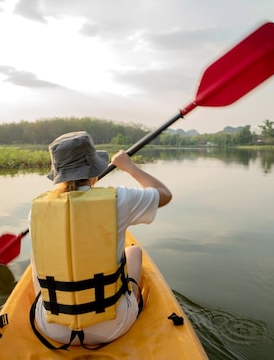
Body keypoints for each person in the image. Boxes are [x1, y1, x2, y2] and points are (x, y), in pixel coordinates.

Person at [28, 131, 171, 349]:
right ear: (94, 169)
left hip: (51, 328)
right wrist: (128, 166)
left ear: (57, 172)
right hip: (111, 327)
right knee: (134, 252)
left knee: (35, 255)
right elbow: (164, 194)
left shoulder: (37, 210)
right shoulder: (119, 199)